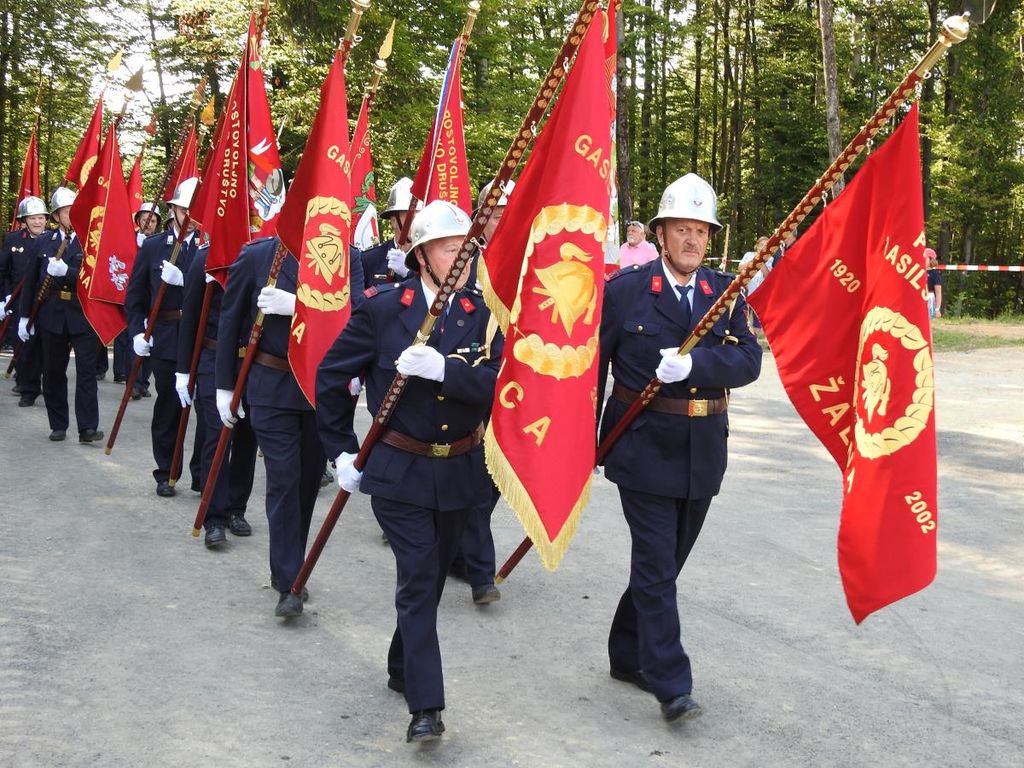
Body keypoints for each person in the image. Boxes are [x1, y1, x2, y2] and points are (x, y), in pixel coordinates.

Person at [317, 199, 503, 743]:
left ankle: (403, 663)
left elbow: (500, 385)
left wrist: (446, 370)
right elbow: (331, 376)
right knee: (420, 576)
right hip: (399, 469)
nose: (462, 258)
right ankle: (427, 707)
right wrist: (341, 450)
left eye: (468, 248)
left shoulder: (485, 312)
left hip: (461, 468)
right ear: (421, 255)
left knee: (431, 578)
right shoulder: (382, 309)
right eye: (449, 249)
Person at [598, 173, 761, 722]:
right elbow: (592, 370)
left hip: (703, 449)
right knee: (655, 565)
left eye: (701, 231)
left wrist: (698, 365)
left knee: (664, 566)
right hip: (641, 445)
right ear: (661, 234)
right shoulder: (625, 290)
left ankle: (626, 654)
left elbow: (749, 362)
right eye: (682, 229)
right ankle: (672, 683)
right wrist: (583, 444)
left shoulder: (725, 294)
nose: (692, 240)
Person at [216, 235, 357, 616]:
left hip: (320, 390)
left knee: (307, 482)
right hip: (271, 384)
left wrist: (299, 305)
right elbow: (231, 318)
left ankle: (292, 562)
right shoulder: (260, 255)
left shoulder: (347, 258)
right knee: (283, 478)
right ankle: (289, 578)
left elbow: (357, 313)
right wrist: (224, 386)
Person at [447, 178, 518, 606]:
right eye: (495, 214)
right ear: (481, 217)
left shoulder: (528, 260)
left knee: (495, 477)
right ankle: (478, 570)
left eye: (509, 213)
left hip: (515, 378)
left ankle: (459, 548)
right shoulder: (465, 258)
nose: (502, 221)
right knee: (476, 470)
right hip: (472, 373)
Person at [175, 243, 258, 549]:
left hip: (254, 360)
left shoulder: (265, 254)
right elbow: (190, 317)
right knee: (216, 434)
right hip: (213, 356)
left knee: (248, 436)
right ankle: (215, 517)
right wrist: (183, 370)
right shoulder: (206, 256)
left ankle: (237, 508)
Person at [126, 178, 202, 497]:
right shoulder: (153, 246)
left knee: (208, 410)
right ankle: (166, 470)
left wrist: (187, 281)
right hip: (168, 335)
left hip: (203, 337)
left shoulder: (211, 244)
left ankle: (202, 474)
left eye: (197, 211)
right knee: (169, 405)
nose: (192, 217)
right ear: (173, 210)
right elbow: (134, 296)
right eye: (186, 210)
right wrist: (137, 331)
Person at [17, 187, 105, 442]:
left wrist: (68, 272)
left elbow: (96, 279)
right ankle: (58, 424)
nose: (72, 215)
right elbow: (31, 281)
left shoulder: (92, 241)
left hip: (82, 313)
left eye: (75, 211)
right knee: (53, 371)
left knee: (86, 372)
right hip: (52, 314)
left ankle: (87, 428)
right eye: (66, 212)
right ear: (55, 216)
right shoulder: (44, 242)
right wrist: (24, 316)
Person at [0, 195, 48, 405]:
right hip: (20, 299)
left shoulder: (53, 240)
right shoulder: (13, 240)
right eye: (32, 218)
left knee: (45, 346)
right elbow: (3, 271)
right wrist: (4, 297)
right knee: (24, 343)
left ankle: (43, 382)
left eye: (40, 217)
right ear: (24, 221)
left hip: (46, 301)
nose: (37, 222)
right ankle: (28, 387)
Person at [114, 202, 162, 386]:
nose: (149, 224)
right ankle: (131, 380)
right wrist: (136, 248)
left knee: (150, 339)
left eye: (153, 221)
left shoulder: (160, 242)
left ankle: (143, 382)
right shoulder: (127, 240)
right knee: (130, 337)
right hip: (130, 295)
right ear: (138, 221)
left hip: (151, 298)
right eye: (145, 220)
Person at [360, 177, 421, 288]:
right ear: (394, 221)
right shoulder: (370, 259)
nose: (417, 223)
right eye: (411, 217)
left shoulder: (428, 258)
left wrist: (409, 273)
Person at [925, 248, 943, 319]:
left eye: (924, 258)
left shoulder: (935, 274)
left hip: (929, 300)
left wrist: (937, 309)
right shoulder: (918, 272)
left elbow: (938, 293)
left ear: (931, 260)